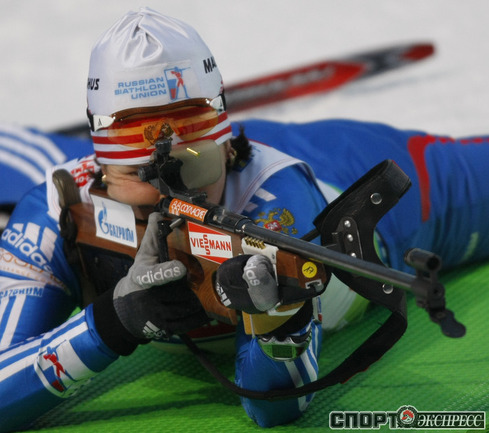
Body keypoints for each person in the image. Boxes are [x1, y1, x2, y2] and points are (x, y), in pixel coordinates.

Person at [1, 7, 489, 432]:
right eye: (141, 172)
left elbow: (277, 408)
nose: (173, 195)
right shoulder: (61, 206)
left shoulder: (276, 208)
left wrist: (276, 319)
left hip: (356, 170)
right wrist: (113, 322)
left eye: (195, 161)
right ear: (104, 167)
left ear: (223, 145)